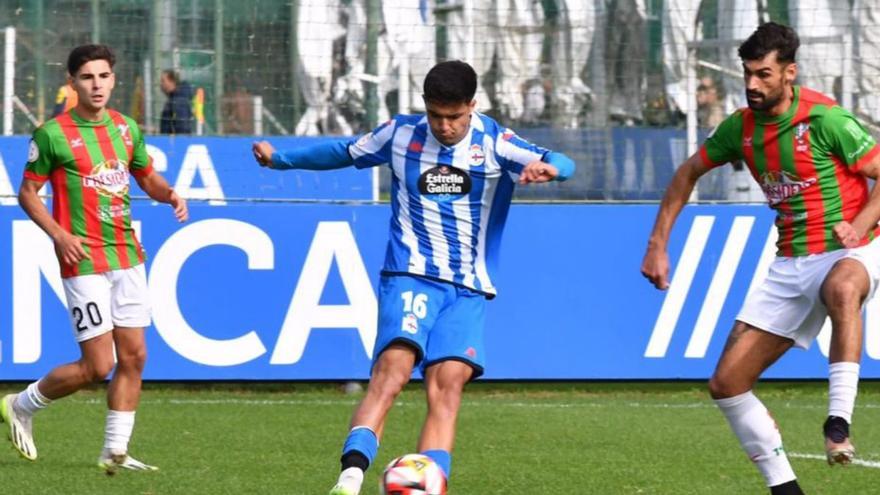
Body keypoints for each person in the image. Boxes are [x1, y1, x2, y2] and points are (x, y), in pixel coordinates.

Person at [252, 60, 575, 495]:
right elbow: (344, 152)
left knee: (448, 387)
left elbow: (562, 159)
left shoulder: (495, 142)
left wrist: (552, 169)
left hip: (467, 288)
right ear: (425, 106)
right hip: (411, 274)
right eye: (436, 116)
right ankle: (348, 480)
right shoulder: (400, 134)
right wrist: (281, 160)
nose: (445, 126)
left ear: (472, 106)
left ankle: (425, 488)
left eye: (455, 117)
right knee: (394, 370)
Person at [641, 23, 879, 495]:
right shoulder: (740, 128)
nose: (752, 84)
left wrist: (863, 221)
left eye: (764, 74)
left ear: (789, 73)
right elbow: (687, 173)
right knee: (727, 383)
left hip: (856, 245)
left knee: (841, 287)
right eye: (748, 73)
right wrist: (657, 245)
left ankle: (838, 422)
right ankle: (785, 490)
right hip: (791, 261)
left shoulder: (826, 119)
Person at [3, 44, 188, 472]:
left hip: (127, 253)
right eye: (87, 78)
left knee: (135, 356)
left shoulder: (125, 129)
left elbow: (145, 175)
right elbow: (28, 193)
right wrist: (59, 234)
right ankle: (21, 404)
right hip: (82, 258)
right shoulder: (51, 134)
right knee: (98, 364)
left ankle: (115, 451)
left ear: (114, 79)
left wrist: (169, 193)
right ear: (72, 83)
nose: (97, 84)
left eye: (103, 76)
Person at [159, 69, 194, 135]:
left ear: (172, 81)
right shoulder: (174, 99)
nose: (161, 84)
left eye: (163, 81)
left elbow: (183, 126)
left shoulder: (179, 99)